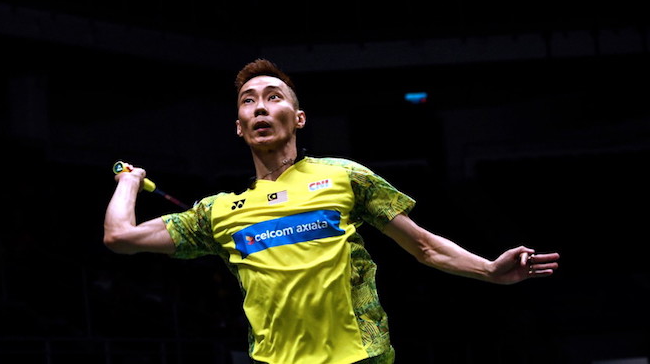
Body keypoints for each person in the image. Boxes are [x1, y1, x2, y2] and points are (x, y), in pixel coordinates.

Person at [103, 58, 559, 364]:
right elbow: (119, 237)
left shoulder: (343, 176)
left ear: (298, 118)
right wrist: (129, 183)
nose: (260, 106)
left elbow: (423, 246)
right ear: (239, 127)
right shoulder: (218, 212)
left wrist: (489, 270)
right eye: (248, 100)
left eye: (274, 97)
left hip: (358, 358)